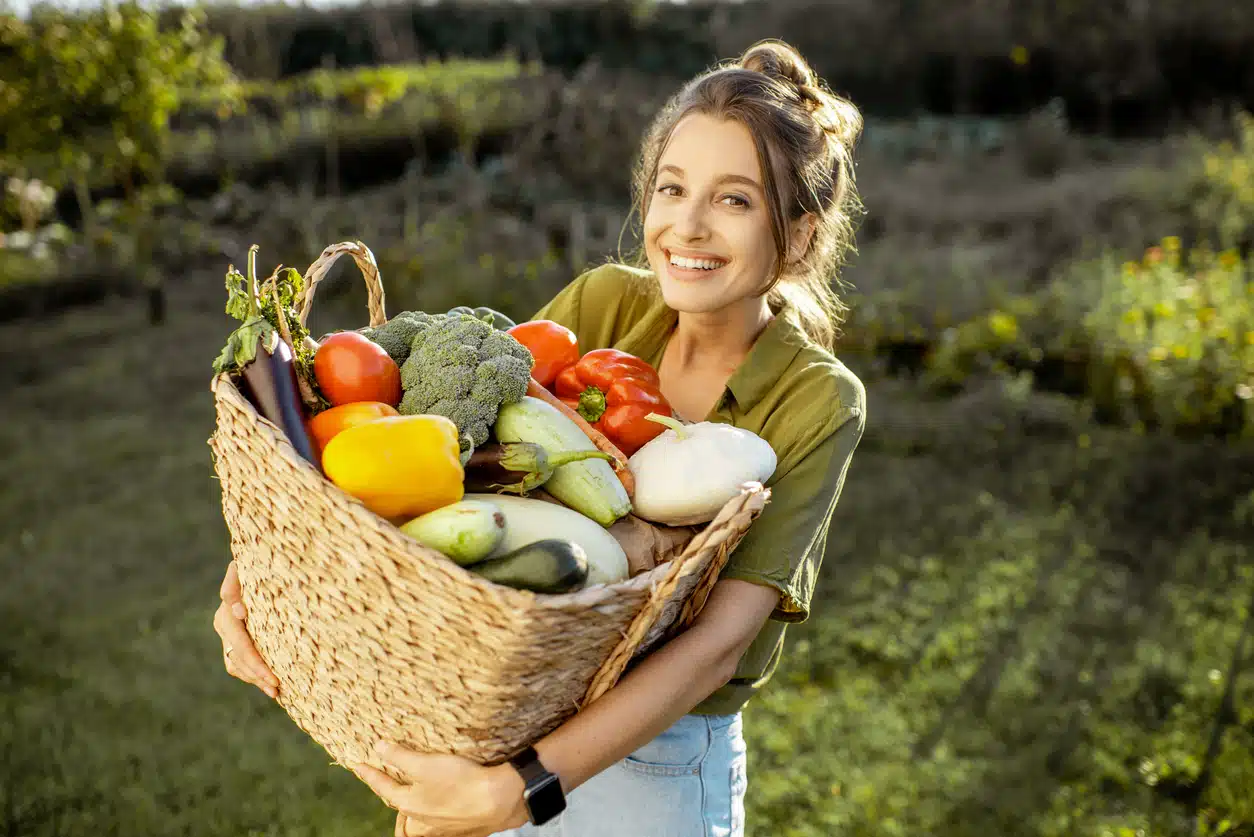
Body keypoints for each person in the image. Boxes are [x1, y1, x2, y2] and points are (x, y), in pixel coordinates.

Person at [213, 38, 868, 837]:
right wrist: (275, 575)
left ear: (798, 235)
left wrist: (519, 791)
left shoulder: (816, 398)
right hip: (499, 711)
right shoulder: (603, 303)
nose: (686, 226)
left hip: (650, 761)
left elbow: (717, 647)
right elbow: (444, 477)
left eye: (735, 200)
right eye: (672, 188)